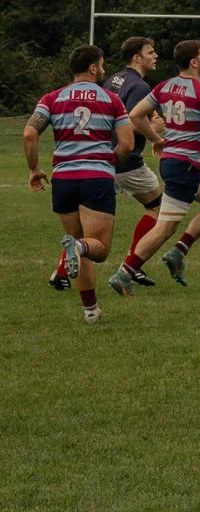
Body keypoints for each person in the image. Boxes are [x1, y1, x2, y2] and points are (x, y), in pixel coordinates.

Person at [111, 39, 200, 291]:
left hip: (179, 164)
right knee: (165, 227)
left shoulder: (164, 87)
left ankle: (178, 252)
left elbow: (134, 115)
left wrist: (156, 139)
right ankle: (124, 274)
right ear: (194, 62)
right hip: (184, 166)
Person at [25, 45, 134, 323]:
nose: (105, 69)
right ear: (93, 67)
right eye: (102, 65)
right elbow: (127, 145)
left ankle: (90, 311)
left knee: (79, 242)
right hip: (95, 177)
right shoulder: (111, 99)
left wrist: (35, 169)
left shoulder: (52, 98)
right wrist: (107, 161)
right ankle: (79, 250)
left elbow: (29, 134)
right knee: (96, 247)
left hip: (63, 179)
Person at [87, 36, 167, 290]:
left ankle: (61, 270)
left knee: (86, 222)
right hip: (126, 160)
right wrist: (155, 132)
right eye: (150, 52)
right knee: (161, 209)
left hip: (104, 157)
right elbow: (133, 122)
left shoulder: (114, 79)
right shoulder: (141, 87)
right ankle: (132, 264)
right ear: (137, 57)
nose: (155, 56)